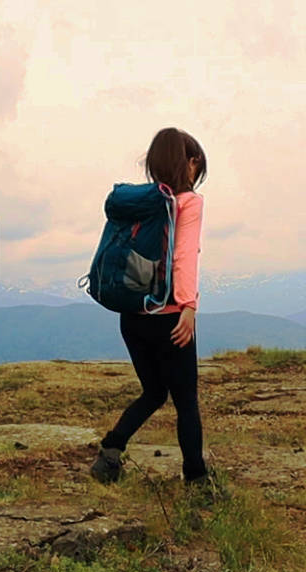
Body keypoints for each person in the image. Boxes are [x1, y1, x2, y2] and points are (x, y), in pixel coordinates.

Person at [91, 127, 211, 491]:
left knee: (155, 392)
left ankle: (111, 450)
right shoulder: (187, 202)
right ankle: (197, 479)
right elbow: (184, 256)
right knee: (186, 401)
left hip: (133, 316)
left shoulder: (139, 202)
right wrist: (188, 306)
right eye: (196, 164)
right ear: (188, 163)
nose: (196, 171)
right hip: (169, 316)